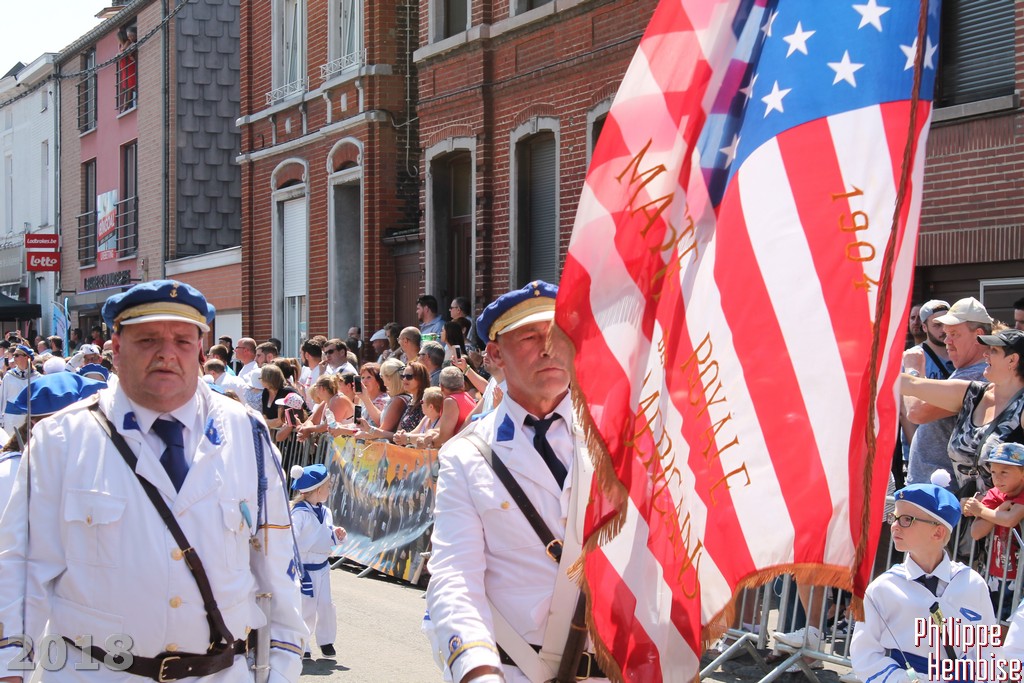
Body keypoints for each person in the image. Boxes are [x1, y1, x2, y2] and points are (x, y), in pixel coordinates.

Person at [0, 279, 307, 681]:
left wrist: (281, 670)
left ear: (201, 349)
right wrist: (11, 668)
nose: (166, 353)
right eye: (147, 340)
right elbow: (21, 570)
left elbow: (277, 564)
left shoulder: (246, 433)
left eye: (182, 340)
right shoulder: (61, 439)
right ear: (116, 346)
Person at [425, 281, 607, 683]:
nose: (549, 348)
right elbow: (455, 576)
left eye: (559, 335)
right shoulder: (466, 455)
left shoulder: (618, 440)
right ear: (495, 355)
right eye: (530, 337)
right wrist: (477, 670)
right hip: (513, 670)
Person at [850, 473, 996, 683]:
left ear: (938, 533)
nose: (895, 525)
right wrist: (903, 680)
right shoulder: (884, 587)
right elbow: (865, 654)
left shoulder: (972, 583)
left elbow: (986, 649)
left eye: (906, 519)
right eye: (894, 517)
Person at [901, 326, 1024, 496]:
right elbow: (912, 386)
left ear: (1012, 360)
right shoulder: (972, 393)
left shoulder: (1021, 407)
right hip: (965, 508)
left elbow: (916, 410)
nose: (985, 354)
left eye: (994, 351)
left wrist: (1011, 507)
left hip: (1005, 511)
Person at [903, 299, 988, 487]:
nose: (947, 340)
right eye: (946, 334)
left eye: (954, 334)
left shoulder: (978, 375)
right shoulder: (967, 369)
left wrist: (913, 371)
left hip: (944, 491)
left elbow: (917, 412)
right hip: (932, 486)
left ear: (978, 335)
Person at [289, 463, 346, 660]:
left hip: (323, 567)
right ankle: (302, 643)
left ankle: (326, 640)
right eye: (328, 486)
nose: (330, 490)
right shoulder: (299, 513)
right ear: (318, 490)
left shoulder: (325, 511)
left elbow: (325, 533)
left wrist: (337, 534)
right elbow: (292, 536)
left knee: (326, 605)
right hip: (304, 569)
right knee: (306, 606)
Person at [962, 441, 1024, 619]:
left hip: (1021, 576)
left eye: (1004, 472)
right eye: (994, 472)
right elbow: (976, 532)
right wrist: (997, 510)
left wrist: (981, 511)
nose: (997, 478)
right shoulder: (995, 494)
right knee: (993, 620)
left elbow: (1011, 519)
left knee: (1016, 625)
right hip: (996, 574)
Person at [0, 346, 36, 435]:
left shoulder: (37, 377)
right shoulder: (9, 376)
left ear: (26, 357)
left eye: (17, 355)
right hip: (11, 417)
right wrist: (1, 418)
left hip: (29, 418)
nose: (14, 358)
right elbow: (2, 397)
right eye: (14, 355)